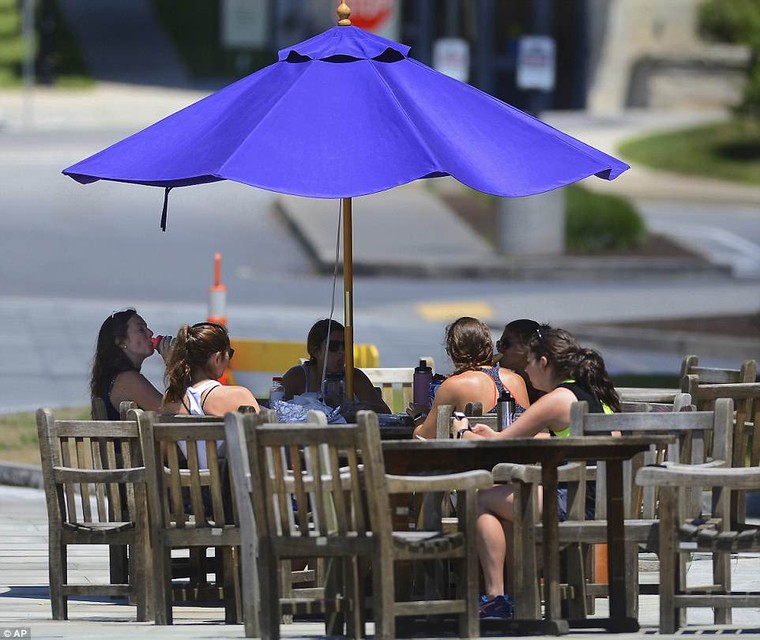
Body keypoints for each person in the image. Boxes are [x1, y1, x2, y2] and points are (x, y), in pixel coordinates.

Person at [451, 325, 620, 619]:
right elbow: (558, 440)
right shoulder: (594, 394)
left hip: (574, 502)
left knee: (478, 499)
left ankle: (497, 597)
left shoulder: (557, 399)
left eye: (530, 362)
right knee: (502, 514)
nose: (526, 370)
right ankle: (515, 596)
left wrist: (461, 431)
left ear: (544, 362)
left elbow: (500, 446)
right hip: (601, 500)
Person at [412, 317, 530, 440]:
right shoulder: (517, 379)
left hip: (477, 457)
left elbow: (423, 437)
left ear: (452, 352)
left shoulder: (454, 385)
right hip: (519, 457)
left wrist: (419, 416)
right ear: (488, 347)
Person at [281, 318, 391, 414]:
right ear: (315, 351)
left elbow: (386, 412)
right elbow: (275, 411)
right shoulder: (297, 377)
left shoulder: (355, 377)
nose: (341, 352)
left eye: (345, 346)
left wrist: (366, 408)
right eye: (333, 346)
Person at [162, 322, 260, 417]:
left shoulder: (171, 399)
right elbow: (266, 431)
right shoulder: (239, 395)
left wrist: (171, 364)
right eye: (229, 353)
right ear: (217, 359)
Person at [90, 308, 171, 420]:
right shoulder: (128, 380)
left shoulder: (118, 378)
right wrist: (174, 367)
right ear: (121, 341)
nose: (150, 333)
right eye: (141, 329)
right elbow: (174, 413)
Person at [495, 318, 545, 405]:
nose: (500, 349)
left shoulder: (548, 384)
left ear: (528, 346)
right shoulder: (506, 382)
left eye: (505, 344)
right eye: (499, 344)